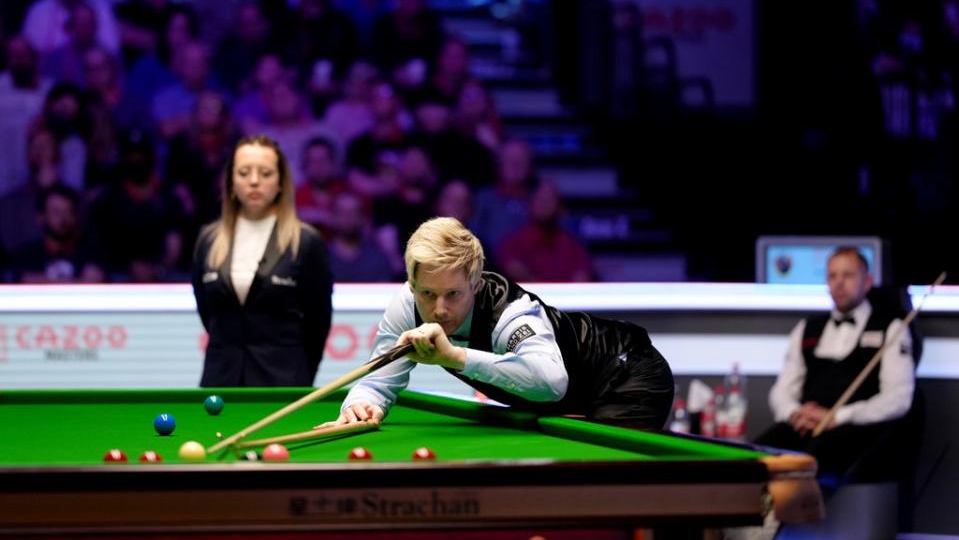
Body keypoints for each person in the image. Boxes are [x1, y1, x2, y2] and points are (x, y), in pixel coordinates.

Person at [336, 217, 673, 429]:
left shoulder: (510, 312)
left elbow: (551, 381)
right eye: (427, 293)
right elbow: (377, 382)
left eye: (453, 294)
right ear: (412, 286)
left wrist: (453, 356)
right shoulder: (407, 304)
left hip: (627, 373)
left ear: (476, 284)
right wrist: (359, 404)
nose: (439, 309)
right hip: (575, 396)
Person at [756, 247, 916, 476]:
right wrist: (795, 413)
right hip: (804, 425)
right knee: (752, 462)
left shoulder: (891, 328)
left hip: (854, 429)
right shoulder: (806, 328)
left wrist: (837, 417)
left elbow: (898, 399)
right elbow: (781, 391)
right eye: (832, 276)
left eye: (848, 275)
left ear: (868, 281)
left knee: (803, 468)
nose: (839, 283)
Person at [192, 134, 334, 387]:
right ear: (231, 182)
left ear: (281, 182)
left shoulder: (306, 241)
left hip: (283, 383)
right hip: (219, 384)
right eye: (244, 173)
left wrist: (300, 377)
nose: (254, 181)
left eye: (266, 173)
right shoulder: (208, 240)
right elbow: (208, 314)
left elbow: (318, 322)